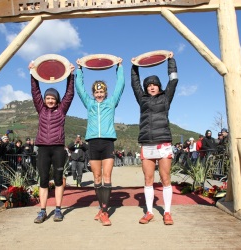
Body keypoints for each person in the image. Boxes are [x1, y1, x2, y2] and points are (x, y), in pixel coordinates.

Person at [75, 56, 125, 226]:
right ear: (93, 93)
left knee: (107, 175)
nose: (99, 94)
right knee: (96, 177)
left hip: (108, 142)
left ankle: (104, 211)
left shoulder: (111, 102)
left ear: (105, 92)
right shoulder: (89, 103)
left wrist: (119, 67)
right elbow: (80, 89)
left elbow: (120, 86)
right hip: (93, 143)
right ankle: (101, 208)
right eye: (96, 92)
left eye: (101, 91)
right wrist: (80, 70)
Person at [131, 51, 178, 225]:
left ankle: (167, 212)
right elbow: (134, 83)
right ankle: (149, 212)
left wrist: (171, 60)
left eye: (154, 84)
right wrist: (135, 66)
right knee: (148, 179)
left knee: (165, 178)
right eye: (149, 85)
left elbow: (173, 80)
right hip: (147, 144)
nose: (151, 87)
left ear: (159, 86)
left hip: (164, 142)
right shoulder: (142, 99)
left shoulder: (166, 98)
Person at [29, 60, 75, 224]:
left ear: (56, 100)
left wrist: (71, 75)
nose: (49, 100)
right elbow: (35, 92)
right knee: (42, 179)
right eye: (47, 98)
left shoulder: (61, 110)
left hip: (57, 149)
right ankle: (42, 211)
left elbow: (69, 94)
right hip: (42, 148)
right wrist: (33, 74)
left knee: (57, 178)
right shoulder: (40, 109)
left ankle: (57, 210)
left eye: (52, 98)